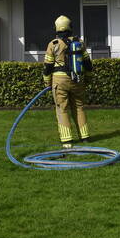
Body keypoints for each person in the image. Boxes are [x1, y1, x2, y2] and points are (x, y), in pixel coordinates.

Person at [42, 15, 92, 147]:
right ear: (70, 27)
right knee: (79, 107)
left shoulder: (53, 44)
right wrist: (88, 79)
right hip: (77, 79)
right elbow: (88, 64)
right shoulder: (79, 42)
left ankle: (67, 141)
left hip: (59, 81)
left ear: (57, 28)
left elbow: (47, 67)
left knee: (62, 109)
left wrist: (47, 82)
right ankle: (85, 137)